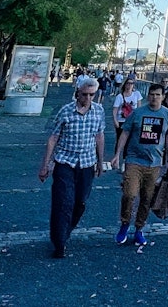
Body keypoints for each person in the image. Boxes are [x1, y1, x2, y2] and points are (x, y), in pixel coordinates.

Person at [38, 76, 105, 259]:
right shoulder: (66, 112)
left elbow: (99, 136)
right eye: (85, 95)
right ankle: (59, 242)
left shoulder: (98, 112)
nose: (88, 99)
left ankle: (66, 230)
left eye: (92, 95)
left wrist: (100, 162)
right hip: (65, 162)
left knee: (80, 202)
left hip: (87, 163)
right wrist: (45, 165)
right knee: (63, 202)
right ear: (78, 93)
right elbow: (53, 137)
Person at [111, 82, 168, 247]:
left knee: (147, 198)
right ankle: (125, 223)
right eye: (152, 94)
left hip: (154, 163)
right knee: (129, 194)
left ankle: (139, 228)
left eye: (158, 95)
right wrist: (117, 154)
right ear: (148, 96)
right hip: (134, 160)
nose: (154, 98)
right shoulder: (137, 113)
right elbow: (125, 133)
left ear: (163, 97)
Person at [112, 78, 142, 150]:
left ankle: (126, 158)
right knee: (119, 140)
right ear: (125, 84)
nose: (129, 85)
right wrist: (115, 121)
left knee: (130, 141)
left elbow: (139, 108)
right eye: (128, 83)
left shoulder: (137, 94)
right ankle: (117, 156)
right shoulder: (119, 96)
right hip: (122, 121)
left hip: (132, 121)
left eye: (131, 83)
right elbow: (115, 110)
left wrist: (138, 120)